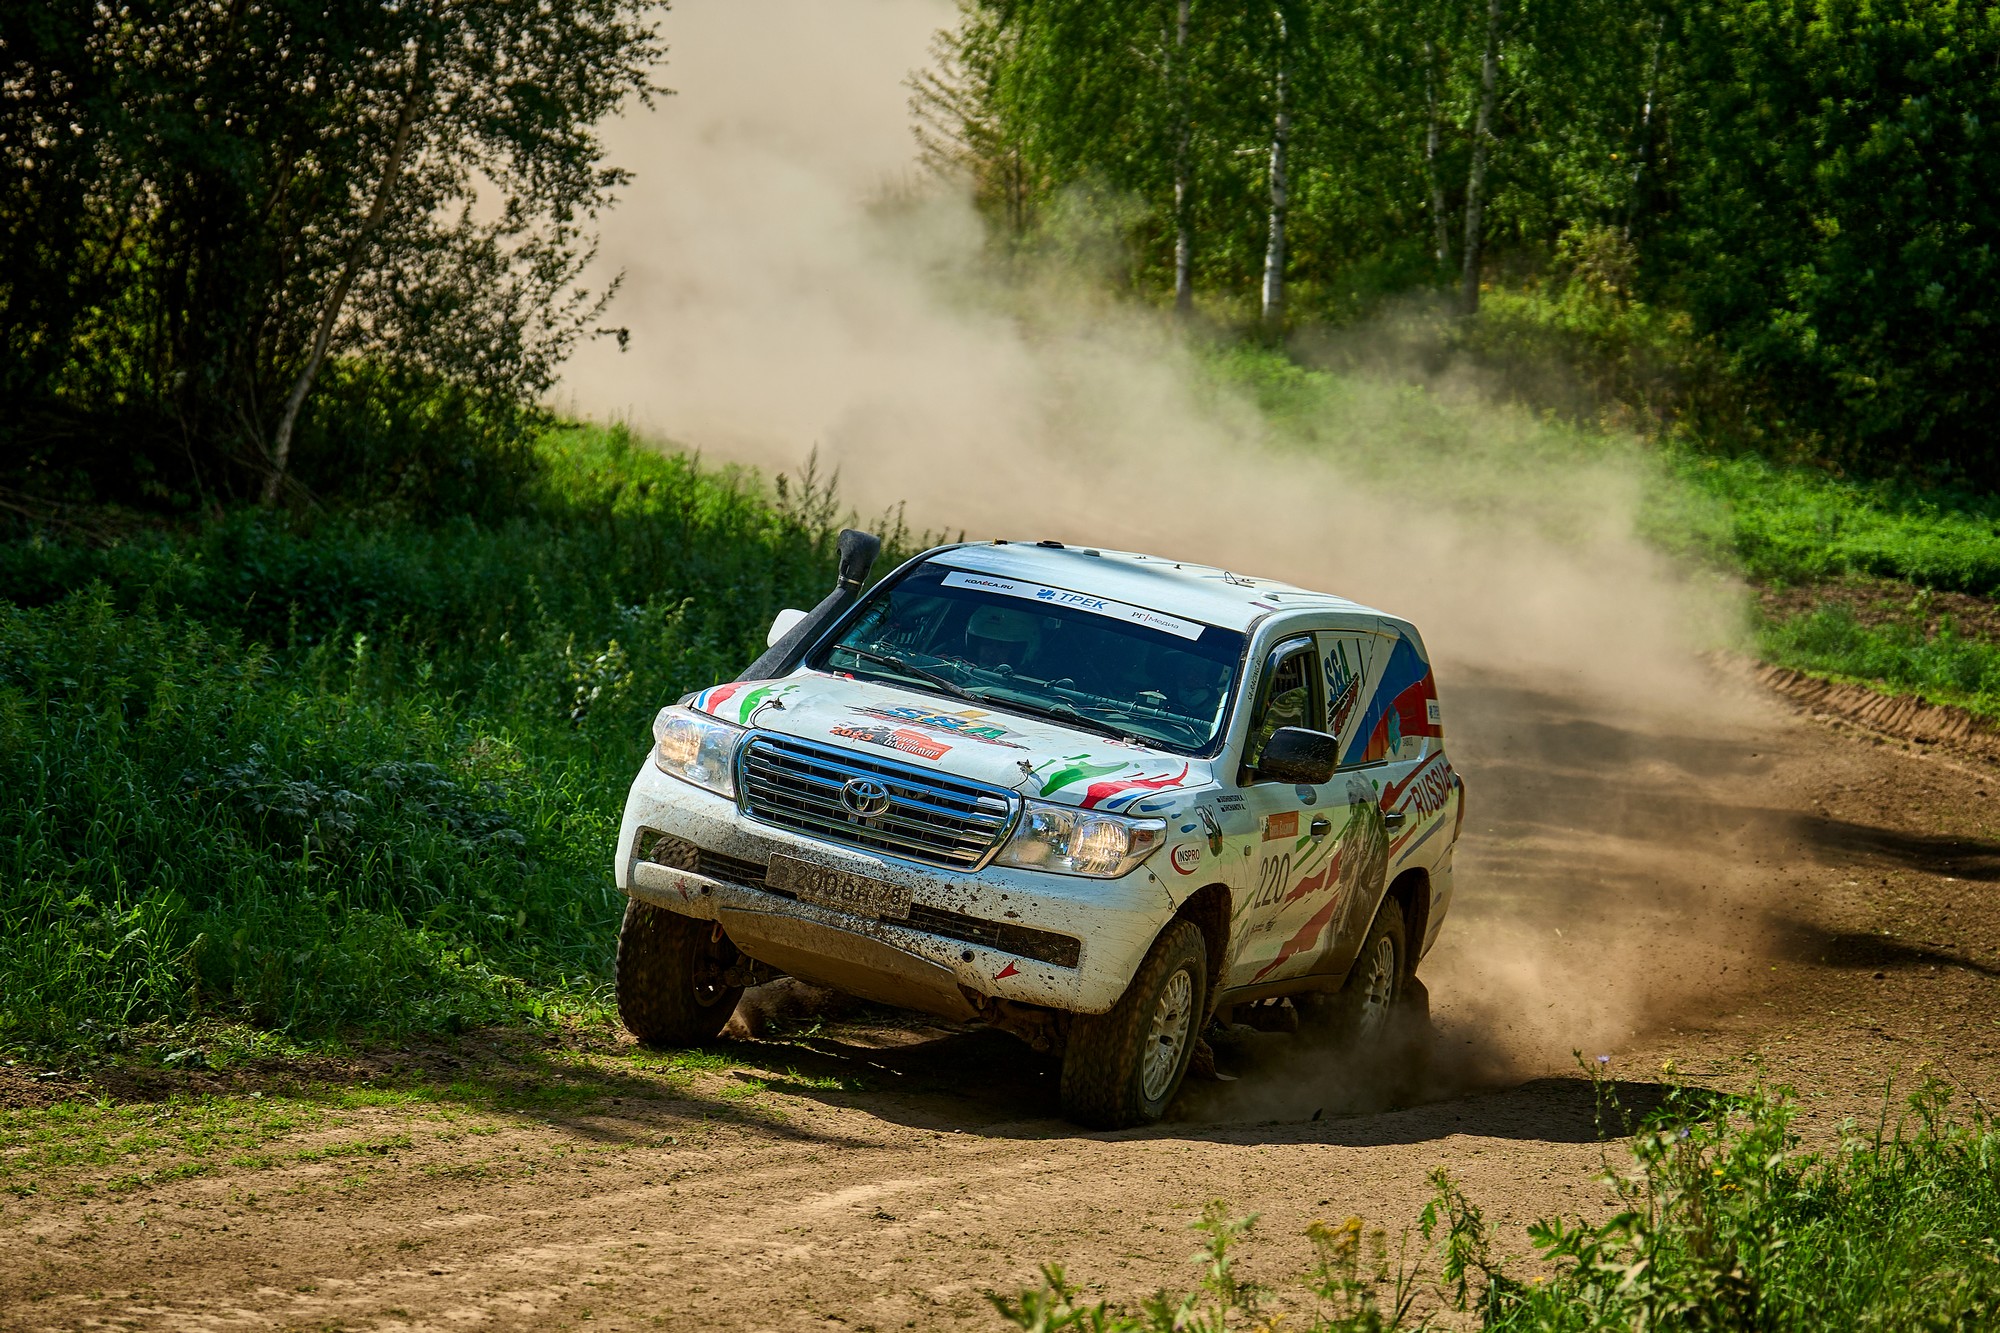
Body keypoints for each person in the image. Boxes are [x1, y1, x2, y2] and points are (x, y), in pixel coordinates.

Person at [962, 603, 1043, 673]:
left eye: (1001, 647)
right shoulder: (958, 673)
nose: (992, 653)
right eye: (987, 644)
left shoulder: (1030, 687)